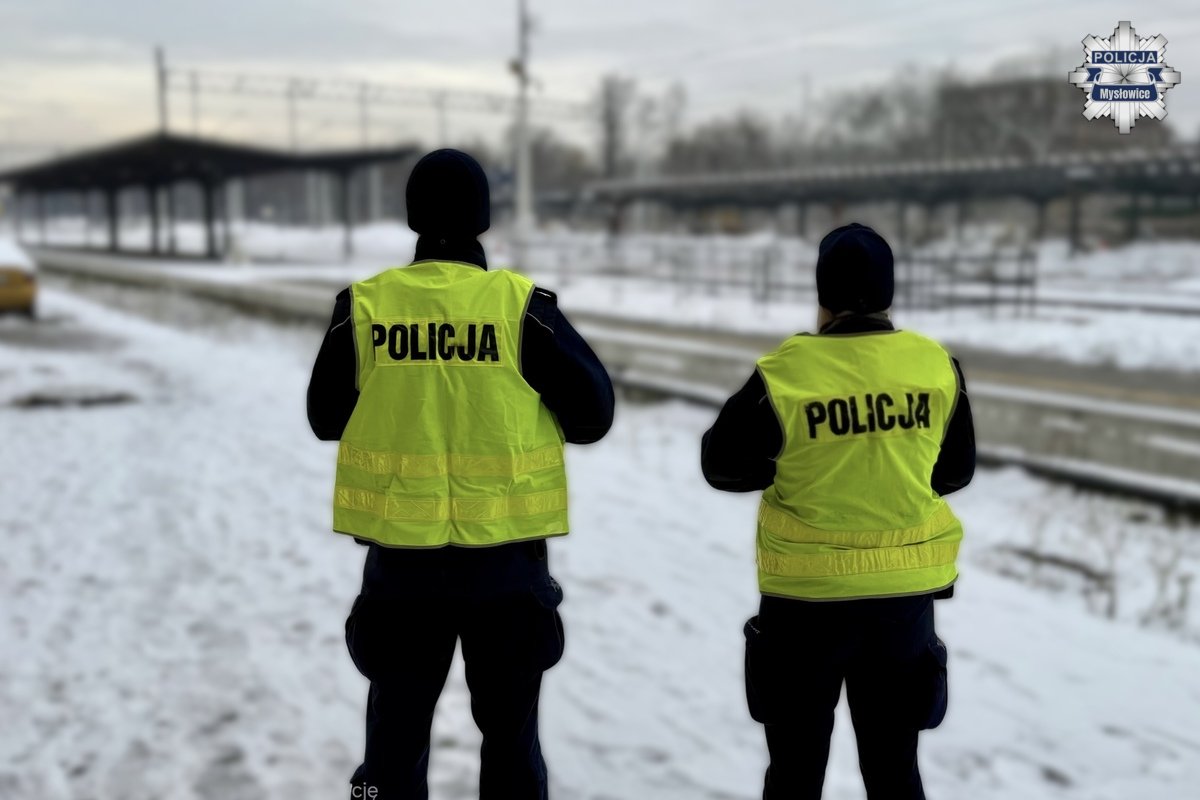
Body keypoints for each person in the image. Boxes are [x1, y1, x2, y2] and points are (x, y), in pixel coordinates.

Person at [307, 149, 614, 800]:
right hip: (506, 570)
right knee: (512, 748)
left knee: (392, 750)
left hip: (401, 571)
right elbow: (594, 416)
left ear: (412, 217)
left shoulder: (364, 307)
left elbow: (324, 417)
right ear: (483, 219)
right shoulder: (522, 309)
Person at [700, 223, 975, 800]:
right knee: (895, 773)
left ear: (822, 297)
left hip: (805, 609)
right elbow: (955, 471)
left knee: (794, 775)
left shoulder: (787, 372)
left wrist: (789, 465)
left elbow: (720, 465)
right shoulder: (935, 365)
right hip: (903, 607)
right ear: (889, 294)